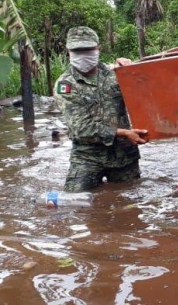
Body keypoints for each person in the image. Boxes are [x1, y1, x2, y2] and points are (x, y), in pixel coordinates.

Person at [54, 26, 148, 192]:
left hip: (124, 155)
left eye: (88, 49)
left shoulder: (116, 74)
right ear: (68, 51)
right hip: (87, 156)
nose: (83, 54)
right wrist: (124, 132)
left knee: (130, 205)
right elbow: (81, 128)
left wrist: (131, 71)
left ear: (98, 49)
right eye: (78, 50)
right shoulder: (66, 85)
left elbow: (146, 97)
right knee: (76, 204)